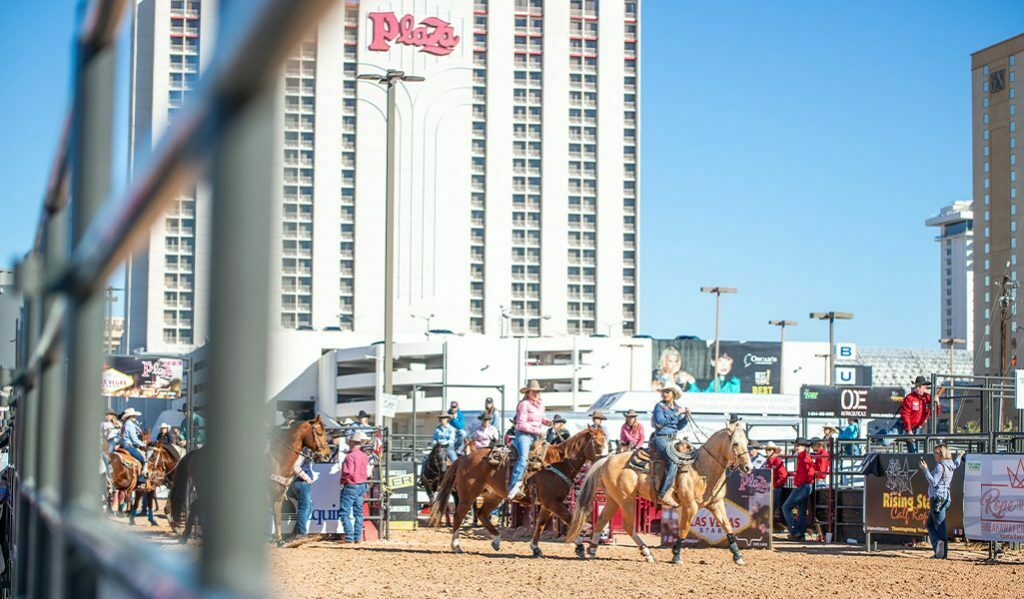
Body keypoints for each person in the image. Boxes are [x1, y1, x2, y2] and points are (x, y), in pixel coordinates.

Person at [508, 380, 551, 501]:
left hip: (537, 437)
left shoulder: (540, 405)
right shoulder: (524, 404)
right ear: (528, 392)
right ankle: (514, 486)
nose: (536, 394)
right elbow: (521, 424)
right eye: (534, 392)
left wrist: (546, 421)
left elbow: (540, 418)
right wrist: (538, 431)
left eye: (538, 392)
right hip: (524, 435)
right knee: (523, 458)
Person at [921, 444, 964, 559]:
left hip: (937, 499)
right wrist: (959, 456)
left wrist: (925, 469)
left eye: (937, 453)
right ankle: (939, 548)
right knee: (930, 524)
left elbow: (933, 482)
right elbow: (957, 463)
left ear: (943, 454)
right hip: (945, 498)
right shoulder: (950, 465)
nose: (935, 455)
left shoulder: (940, 466)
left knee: (940, 527)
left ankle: (941, 552)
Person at [650, 385, 690, 507]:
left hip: (673, 439)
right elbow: (660, 422)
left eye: (667, 392)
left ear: (673, 394)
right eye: (663, 392)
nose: (665, 394)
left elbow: (679, 426)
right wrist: (675, 414)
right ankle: (663, 493)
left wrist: (686, 417)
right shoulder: (659, 406)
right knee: (673, 460)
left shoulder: (677, 408)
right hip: (661, 438)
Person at [782, 438, 816, 540]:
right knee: (801, 510)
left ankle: (794, 530)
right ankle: (800, 533)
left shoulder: (804, 458)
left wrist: (797, 483)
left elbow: (806, 474)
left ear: (803, 446)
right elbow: (809, 473)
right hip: (805, 486)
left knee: (786, 507)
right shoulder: (804, 457)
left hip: (802, 486)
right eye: (796, 445)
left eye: (797, 445)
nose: (796, 447)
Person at [339, 432, 370, 543]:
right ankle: (357, 537)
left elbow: (348, 472)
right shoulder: (364, 456)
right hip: (362, 485)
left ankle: (349, 537)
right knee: (358, 513)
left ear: (351, 443)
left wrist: (342, 481)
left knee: (345, 512)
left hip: (352, 485)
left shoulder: (350, 456)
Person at [899, 376, 934, 453]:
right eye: (916, 386)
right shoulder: (909, 398)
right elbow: (905, 414)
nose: (917, 388)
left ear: (924, 387)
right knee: (886, 441)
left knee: (914, 452)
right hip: (903, 425)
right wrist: (909, 431)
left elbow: (935, 412)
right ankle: (879, 436)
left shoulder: (928, 398)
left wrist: (936, 403)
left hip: (915, 428)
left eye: (919, 386)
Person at [289, 448, 315, 542]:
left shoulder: (302, 450)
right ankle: (300, 533)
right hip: (301, 482)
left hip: (300, 483)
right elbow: (296, 467)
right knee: (305, 507)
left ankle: (297, 532)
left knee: (308, 507)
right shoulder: (302, 451)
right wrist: (306, 478)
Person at [118, 408, 149, 480]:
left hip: (122, 446)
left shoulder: (124, 424)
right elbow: (134, 440)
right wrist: (143, 444)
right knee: (143, 460)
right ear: (130, 416)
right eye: (133, 416)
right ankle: (141, 479)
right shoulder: (130, 424)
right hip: (129, 446)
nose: (135, 417)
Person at [764, 442, 788, 515]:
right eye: (767, 450)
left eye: (769, 450)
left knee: (770, 507)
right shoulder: (767, 461)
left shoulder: (777, 461)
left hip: (775, 488)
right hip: (770, 488)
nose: (767, 452)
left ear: (774, 451)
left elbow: (783, 476)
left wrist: (774, 485)